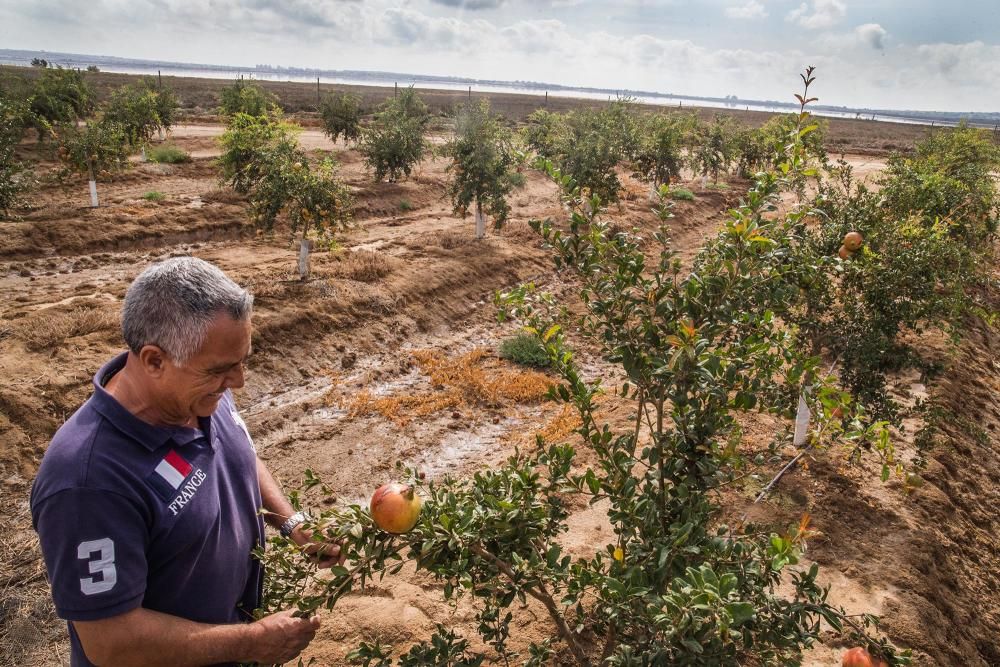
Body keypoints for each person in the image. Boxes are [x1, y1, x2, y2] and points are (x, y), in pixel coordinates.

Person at [31, 257, 338, 666]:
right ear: (155, 360)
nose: (238, 382)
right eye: (223, 370)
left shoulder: (199, 391)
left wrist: (292, 524)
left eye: (242, 361)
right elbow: (111, 642)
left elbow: (236, 457)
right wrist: (251, 642)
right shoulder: (88, 480)